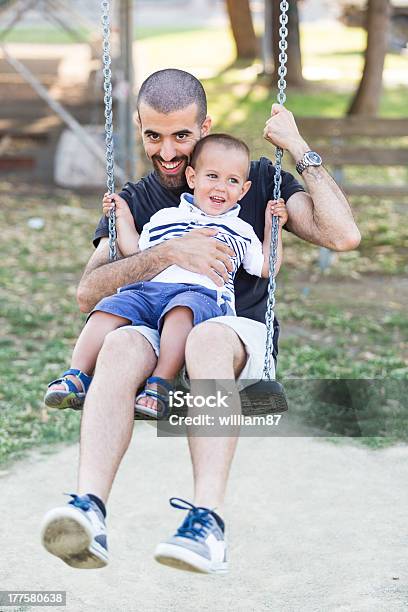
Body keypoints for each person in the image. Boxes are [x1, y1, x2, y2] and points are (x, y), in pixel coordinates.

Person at [41, 69, 361, 574]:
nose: (167, 152)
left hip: (228, 327)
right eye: (153, 136)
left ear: (205, 125)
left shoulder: (251, 180)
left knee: (206, 336)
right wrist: (168, 252)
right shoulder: (137, 199)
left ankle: (206, 523)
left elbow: (343, 236)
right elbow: (88, 291)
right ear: (140, 128)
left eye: (182, 136)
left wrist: (298, 146)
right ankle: (89, 510)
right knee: (120, 344)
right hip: (152, 315)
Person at [43, 134, 288, 418]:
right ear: (192, 177)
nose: (221, 187)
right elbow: (135, 248)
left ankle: (159, 383)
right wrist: (121, 216)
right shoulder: (164, 217)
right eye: (212, 176)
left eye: (232, 181)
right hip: (147, 293)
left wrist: (274, 228)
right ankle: (76, 375)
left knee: (182, 310)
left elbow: (266, 267)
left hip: (202, 297)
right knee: (107, 309)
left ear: (244, 190)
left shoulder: (240, 229)